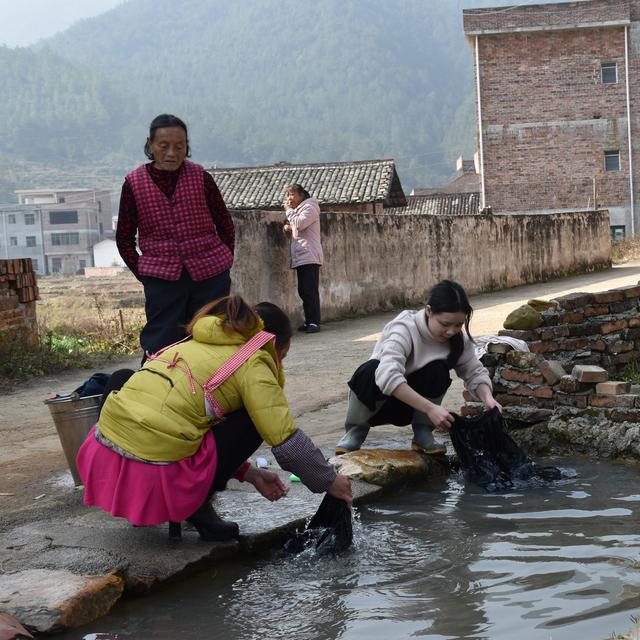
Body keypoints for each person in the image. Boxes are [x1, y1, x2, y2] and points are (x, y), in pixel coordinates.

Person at [76, 295, 352, 542]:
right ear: (274, 345)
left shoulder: (191, 344)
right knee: (254, 421)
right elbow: (284, 437)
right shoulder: (254, 362)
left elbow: (193, 425)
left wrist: (249, 473)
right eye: (283, 356)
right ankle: (196, 507)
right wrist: (329, 480)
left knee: (124, 379)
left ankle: (151, 502)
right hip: (156, 468)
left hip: (103, 461)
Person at [335, 280, 502, 456]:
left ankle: (423, 434)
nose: (451, 331)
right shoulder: (404, 328)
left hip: (413, 410)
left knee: (437, 369)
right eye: (445, 324)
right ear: (429, 311)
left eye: (458, 325)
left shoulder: (458, 340)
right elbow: (388, 377)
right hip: (377, 404)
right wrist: (431, 409)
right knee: (371, 370)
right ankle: (355, 431)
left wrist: (488, 398)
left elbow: (474, 371)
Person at [116, 113, 235, 358]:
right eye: (164, 146)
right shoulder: (134, 183)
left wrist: (224, 261)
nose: (172, 153)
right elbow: (124, 237)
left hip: (210, 275)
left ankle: (214, 392)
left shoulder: (201, 177)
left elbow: (224, 223)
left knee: (213, 337)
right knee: (163, 342)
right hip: (161, 279)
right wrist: (145, 274)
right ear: (150, 145)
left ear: (186, 147)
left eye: (179, 147)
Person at [283, 184, 323, 333]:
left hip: (309, 255)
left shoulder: (310, 207)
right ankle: (309, 321)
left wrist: (289, 211)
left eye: (292, 194)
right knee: (303, 290)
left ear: (301, 195)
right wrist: (288, 227)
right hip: (302, 255)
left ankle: (314, 322)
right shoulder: (300, 209)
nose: (289, 198)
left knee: (309, 290)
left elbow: (300, 223)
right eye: (287, 195)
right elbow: (297, 225)